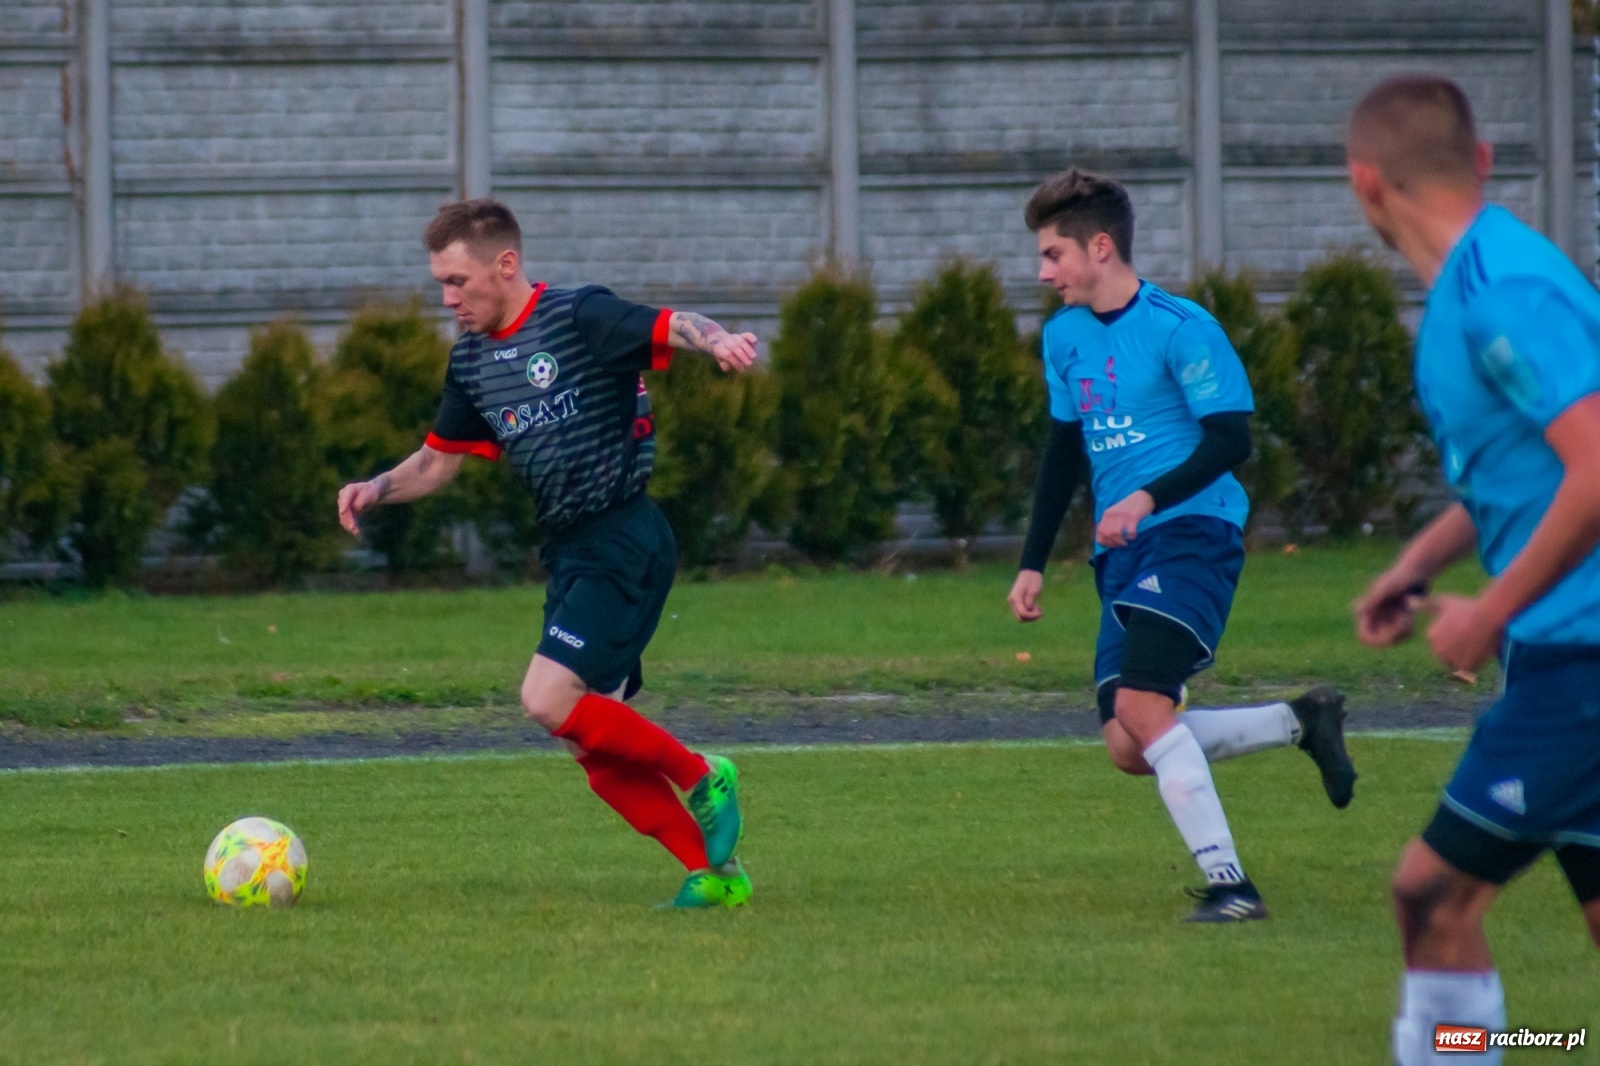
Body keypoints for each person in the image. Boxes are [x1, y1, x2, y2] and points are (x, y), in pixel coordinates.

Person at [337, 198, 755, 909]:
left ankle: (703, 773)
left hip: (622, 536)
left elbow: (674, 323)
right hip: (570, 553)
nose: (447, 299)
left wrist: (717, 342)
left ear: (505, 265)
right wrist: (375, 488)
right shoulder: (471, 361)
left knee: (545, 698)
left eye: (458, 281)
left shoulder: (577, 317)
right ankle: (716, 877)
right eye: (440, 282)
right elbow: (438, 463)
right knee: (591, 746)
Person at [1008, 168, 1356, 923]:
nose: (1042, 273)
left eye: (1052, 255)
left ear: (1100, 247)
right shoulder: (1063, 336)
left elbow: (1231, 438)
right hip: (1122, 554)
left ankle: (1232, 887)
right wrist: (1033, 561)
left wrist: (1146, 496)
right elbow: (1064, 450)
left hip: (1194, 534)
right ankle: (1301, 721)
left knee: (1141, 703)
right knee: (1128, 744)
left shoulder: (1180, 327)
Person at [1346, 74, 1600, 1064]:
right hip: (1566, 651)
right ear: (1482, 162)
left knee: (1430, 894)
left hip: (1579, 659)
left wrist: (1490, 608)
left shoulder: (1501, 292)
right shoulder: (1486, 279)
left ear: (1364, 182)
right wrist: (1414, 564)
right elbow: (1527, 473)